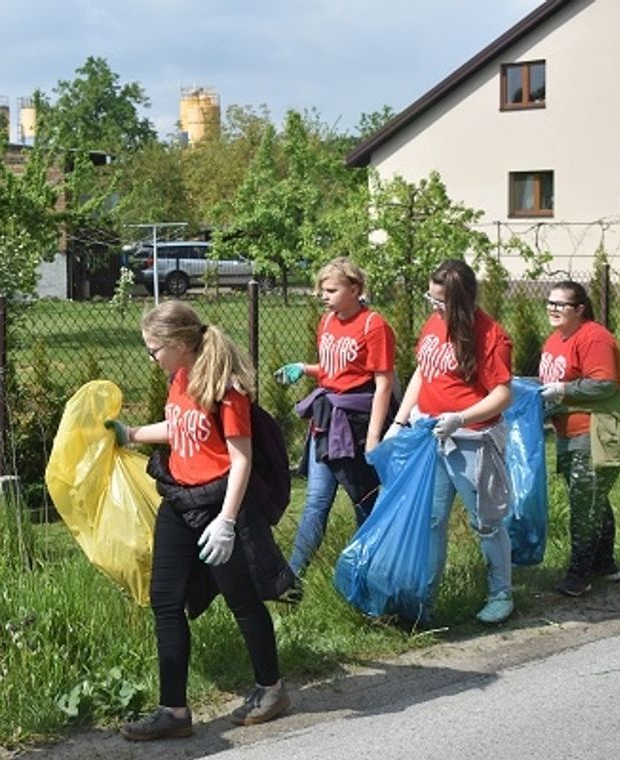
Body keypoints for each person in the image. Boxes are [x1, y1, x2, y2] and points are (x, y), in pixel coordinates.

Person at [105, 300, 294, 741]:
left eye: (154, 349)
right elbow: (181, 428)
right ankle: (174, 711)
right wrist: (131, 434)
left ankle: (272, 689)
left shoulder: (226, 389)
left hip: (219, 503)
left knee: (241, 599)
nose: (151, 357)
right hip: (179, 499)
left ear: (179, 343)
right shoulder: (179, 378)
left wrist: (227, 522)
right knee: (165, 600)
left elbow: (241, 458)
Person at [390, 259, 514, 625]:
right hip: (431, 437)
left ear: (462, 300)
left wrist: (462, 417)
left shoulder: (490, 335)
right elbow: (423, 371)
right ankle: (423, 602)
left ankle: (501, 592)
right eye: (431, 298)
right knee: (430, 520)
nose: (434, 306)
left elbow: (502, 394)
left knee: (485, 520)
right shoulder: (433, 323)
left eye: (441, 301)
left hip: (472, 440)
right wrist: (400, 419)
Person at [273, 257, 397, 576]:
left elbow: (383, 384)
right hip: (326, 421)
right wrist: (304, 368)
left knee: (364, 501)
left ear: (354, 288)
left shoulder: (374, 325)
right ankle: (292, 577)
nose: (323, 296)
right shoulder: (327, 322)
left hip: (356, 425)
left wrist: (373, 439)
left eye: (330, 290)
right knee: (315, 500)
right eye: (321, 290)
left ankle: (366, 573)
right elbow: (333, 370)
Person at [539, 280, 620, 597]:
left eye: (562, 304)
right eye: (550, 302)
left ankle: (578, 576)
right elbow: (553, 380)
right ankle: (605, 564)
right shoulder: (555, 340)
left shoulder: (594, 337)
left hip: (595, 433)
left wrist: (563, 390)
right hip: (568, 435)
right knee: (593, 499)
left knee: (584, 504)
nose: (553, 308)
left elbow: (604, 385)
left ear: (580, 309)